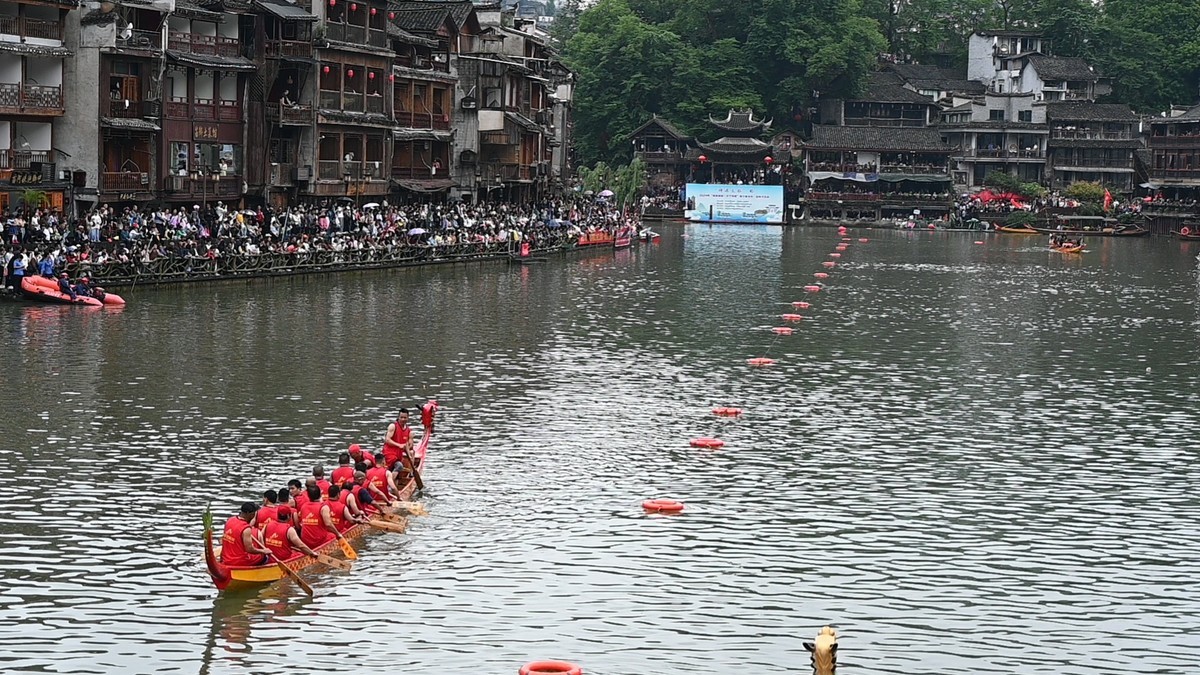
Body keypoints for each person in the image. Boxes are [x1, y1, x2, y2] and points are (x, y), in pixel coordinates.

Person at [221, 502, 272, 566]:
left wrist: (221, 560)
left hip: (226, 559)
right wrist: (263, 551)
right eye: (254, 514)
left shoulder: (230, 520)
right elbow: (249, 549)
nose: (254, 516)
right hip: (239, 561)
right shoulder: (246, 529)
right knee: (263, 557)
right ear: (249, 514)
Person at [297, 486, 337, 550]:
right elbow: (328, 524)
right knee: (333, 536)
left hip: (305, 540)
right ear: (320, 494)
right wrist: (338, 534)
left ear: (308, 496)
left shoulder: (303, 506)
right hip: (319, 540)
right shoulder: (324, 507)